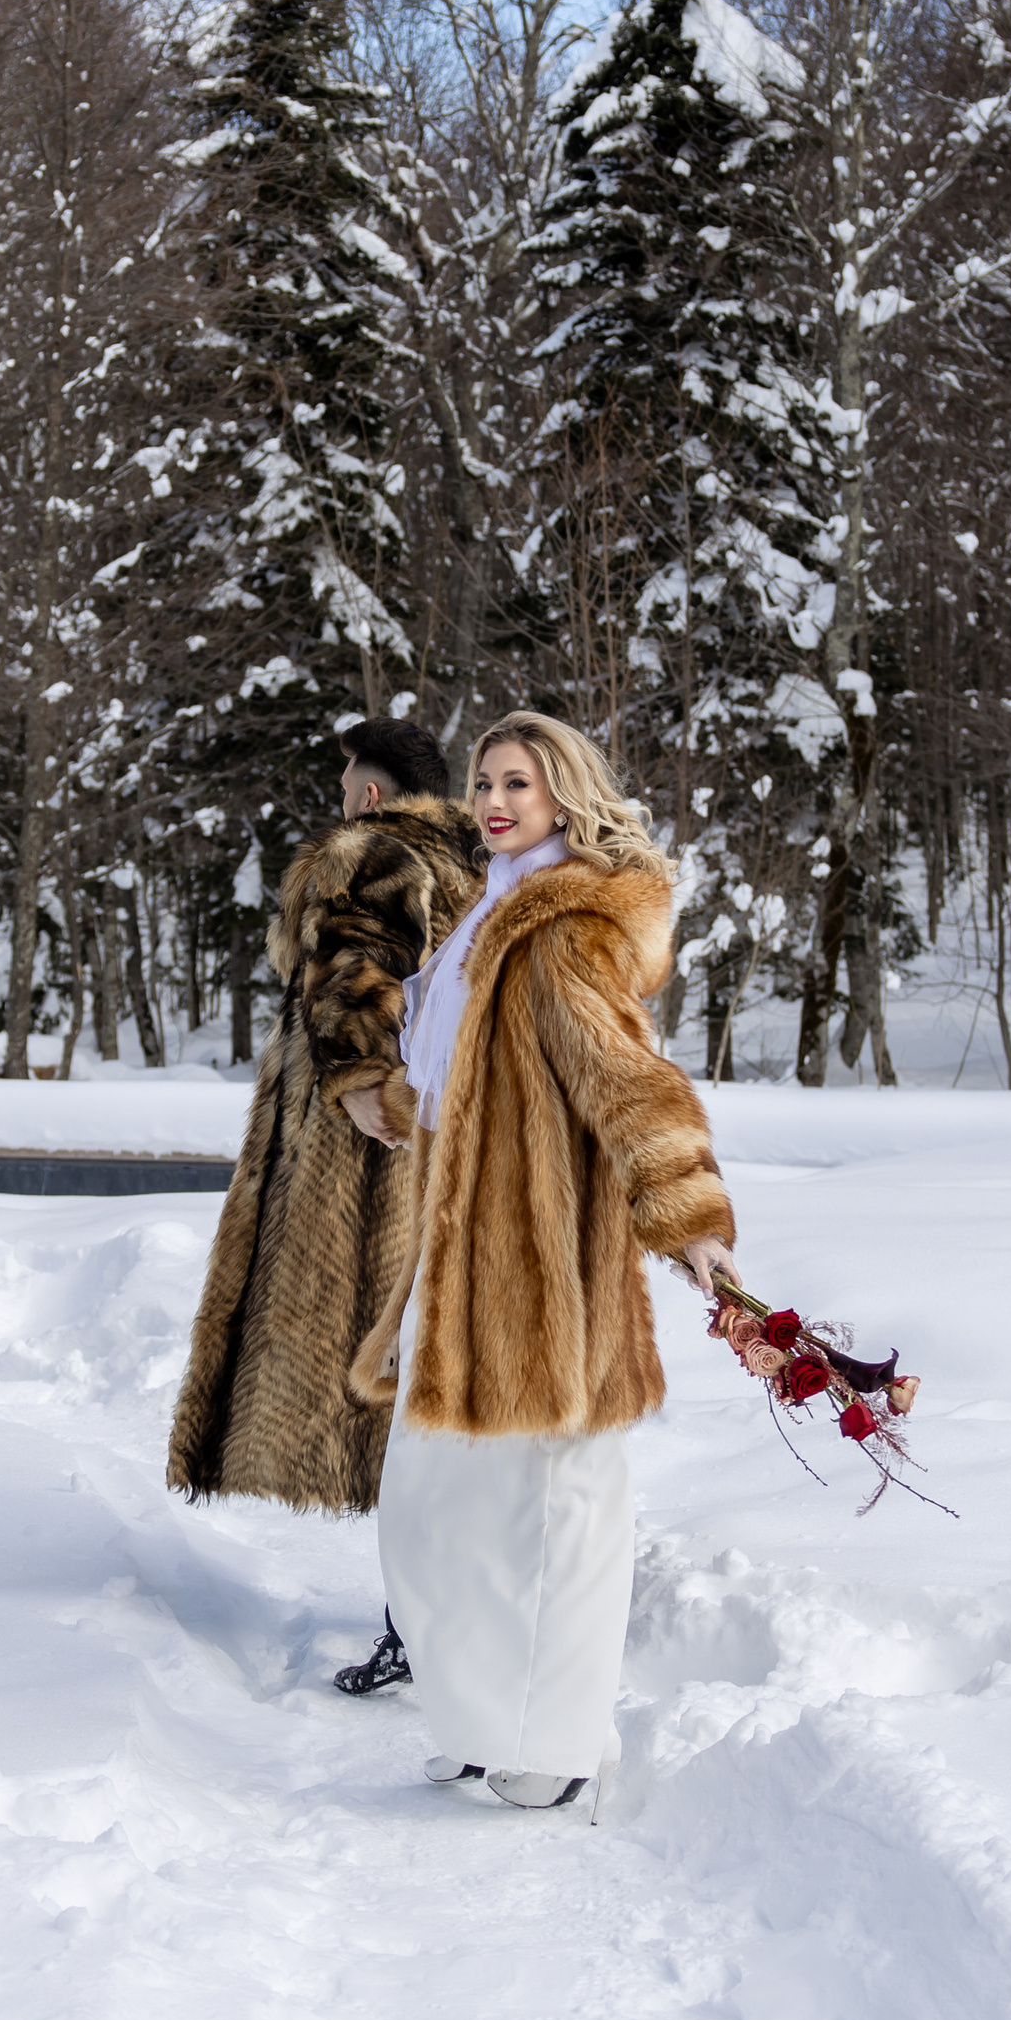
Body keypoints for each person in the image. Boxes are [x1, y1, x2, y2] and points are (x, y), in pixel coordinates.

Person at [344, 712, 738, 1810]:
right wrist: (395, 1101)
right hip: (460, 1251)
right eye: (484, 779)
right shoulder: (489, 916)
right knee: (433, 1505)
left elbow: (626, 1083)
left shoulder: (563, 928)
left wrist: (688, 1215)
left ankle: (555, 1745)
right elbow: (467, 1070)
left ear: (565, 794)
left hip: (545, 1261)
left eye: (518, 780)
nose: (495, 798)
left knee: (554, 1505)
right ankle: (482, 1723)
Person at [166, 724, 488, 1638]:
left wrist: (350, 1080)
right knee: (417, 1390)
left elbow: (352, 970)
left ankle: (417, 1627)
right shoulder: (475, 865)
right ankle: (428, 1616)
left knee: (368, 1385)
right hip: (436, 1149)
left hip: (356, 1163)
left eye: (347, 778)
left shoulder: (367, 851)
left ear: (374, 794)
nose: (339, 794)